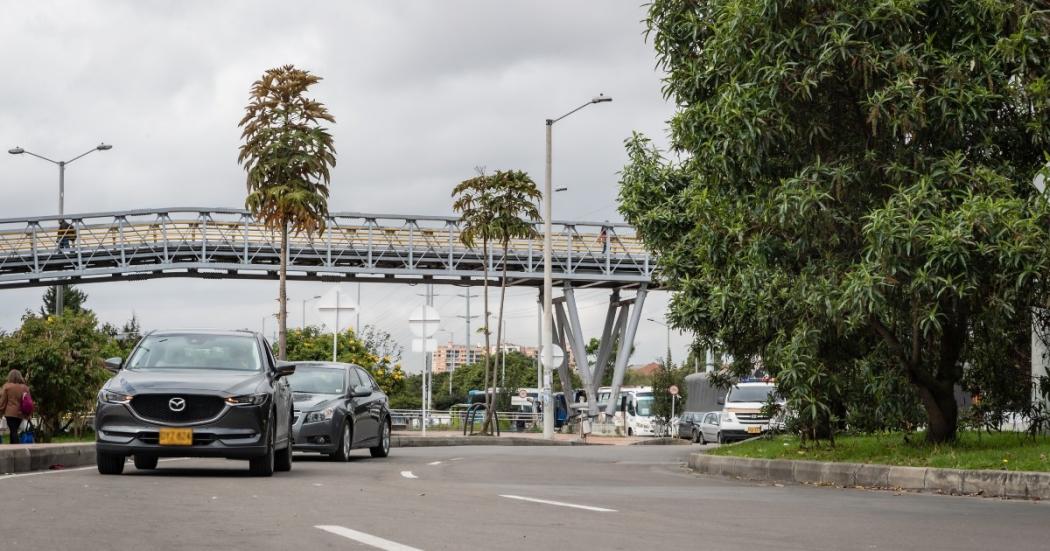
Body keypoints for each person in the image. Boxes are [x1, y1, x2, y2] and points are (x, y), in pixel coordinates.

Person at [0, 369, 30, 444]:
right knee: (14, 430)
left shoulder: (7, 387)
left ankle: (17, 447)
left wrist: (0, 411)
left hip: (9, 413)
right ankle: (12, 446)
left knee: (13, 431)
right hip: (21, 413)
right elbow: (28, 401)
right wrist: (28, 414)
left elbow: (3, 401)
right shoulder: (25, 388)